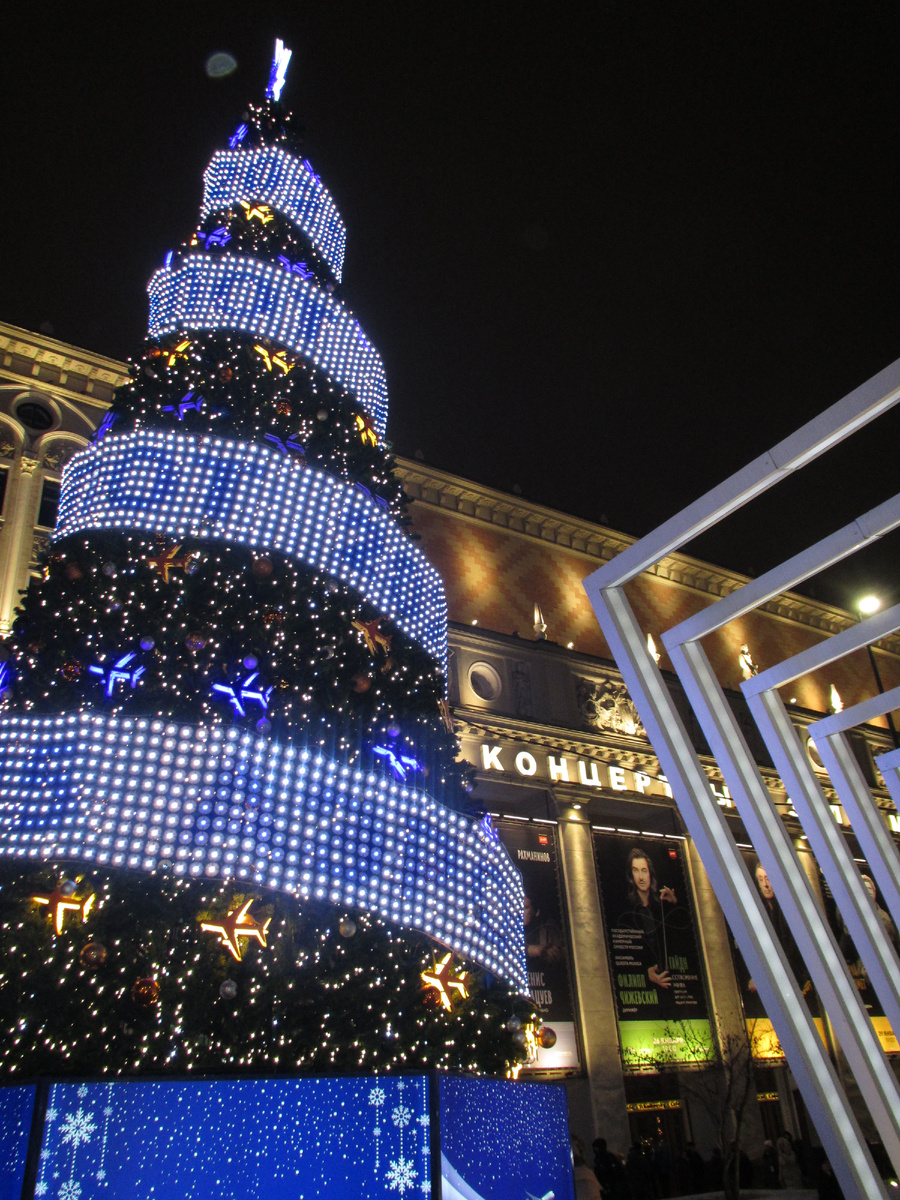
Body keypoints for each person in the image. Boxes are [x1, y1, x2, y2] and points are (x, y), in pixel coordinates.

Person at [624, 847, 678, 990]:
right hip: (646, 989)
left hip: (668, 982)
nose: (640, 877)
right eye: (636, 871)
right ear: (631, 877)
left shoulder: (659, 907)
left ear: (650, 874)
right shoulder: (628, 912)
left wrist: (673, 904)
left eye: (644, 871)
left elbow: (678, 939)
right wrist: (644, 973)